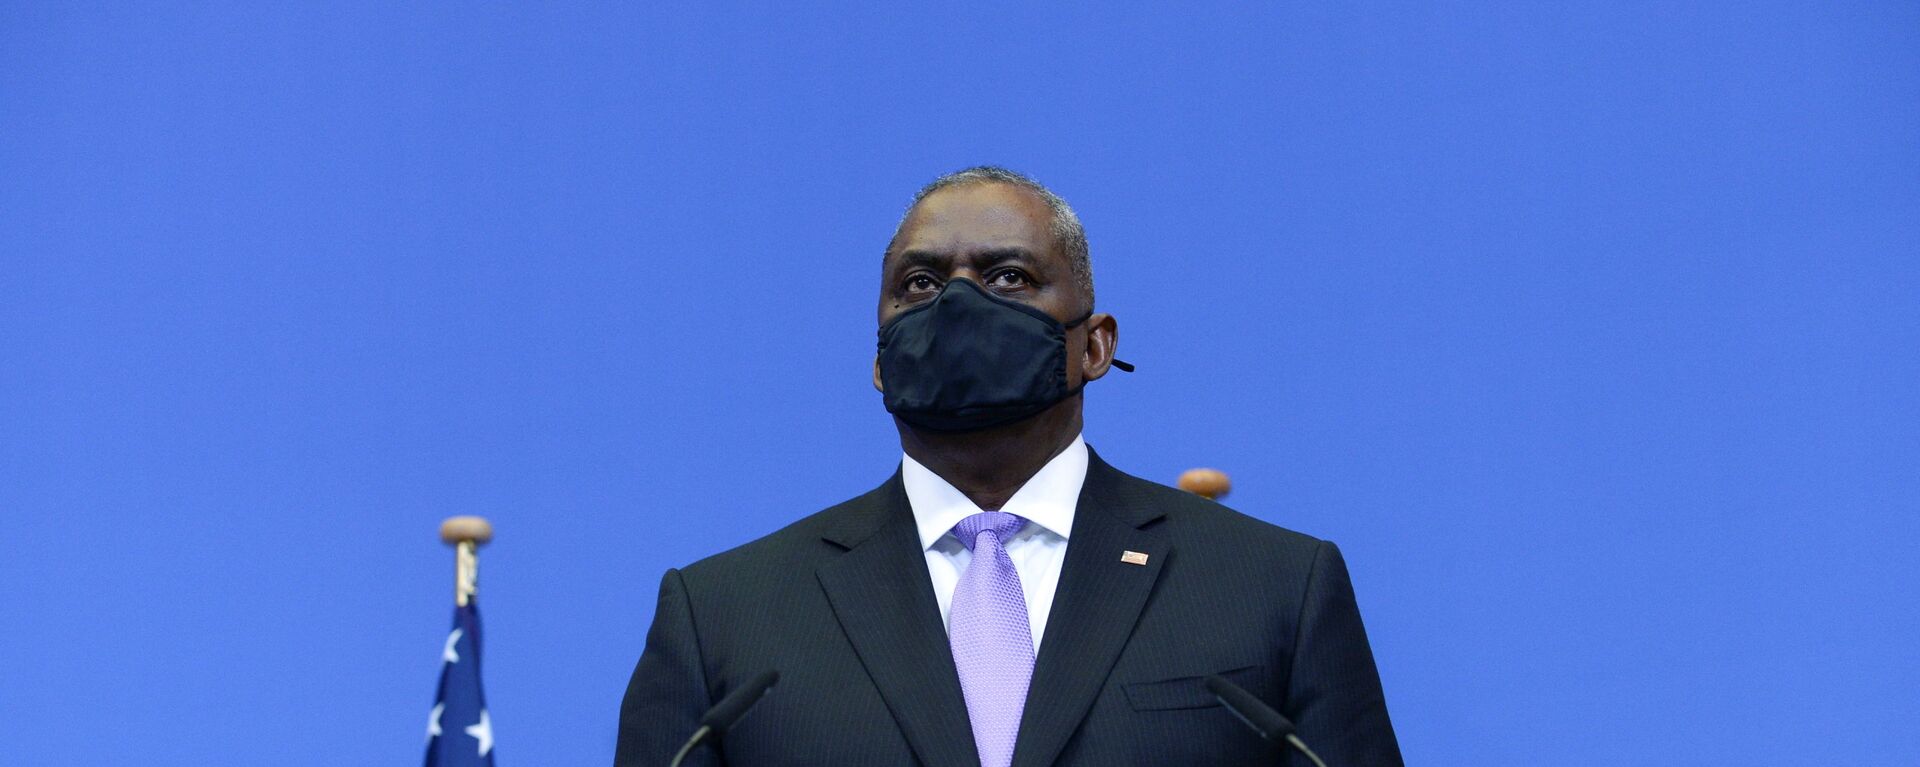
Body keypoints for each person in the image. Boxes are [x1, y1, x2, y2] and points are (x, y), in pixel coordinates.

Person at [616, 167, 1402, 766]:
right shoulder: (724, 618)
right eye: (920, 283)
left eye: (1007, 278)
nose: (958, 306)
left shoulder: (1271, 587)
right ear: (881, 362)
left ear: (1094, 345)